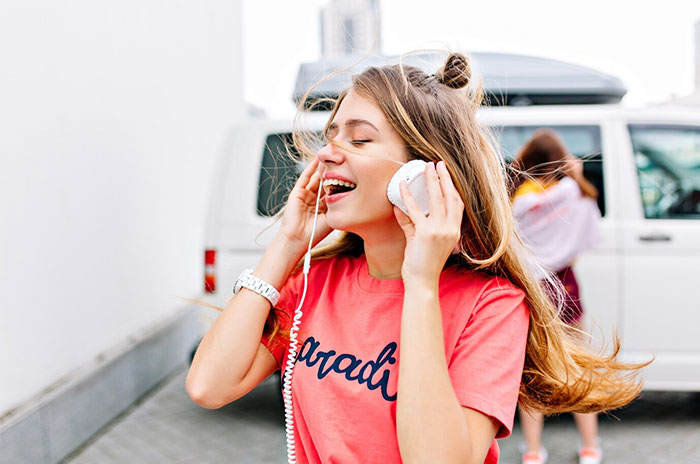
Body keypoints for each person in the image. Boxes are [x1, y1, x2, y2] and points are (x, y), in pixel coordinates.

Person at [186, 53, 644, 464]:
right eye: (330, 135)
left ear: (422, 173)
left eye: (359, 140)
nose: (326, 153)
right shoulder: (315, 282)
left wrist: (421, 284)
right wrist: (287, 243)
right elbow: (208, 386)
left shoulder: (492, 305)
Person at [510, 129, 605, 464]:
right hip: (566, 285)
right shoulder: (573, 193)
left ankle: (534, 452)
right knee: (579, 366)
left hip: (531, 290)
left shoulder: (517, 199)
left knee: (532, 371)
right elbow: (592, 232)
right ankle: (590, 447)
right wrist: (577, 175)